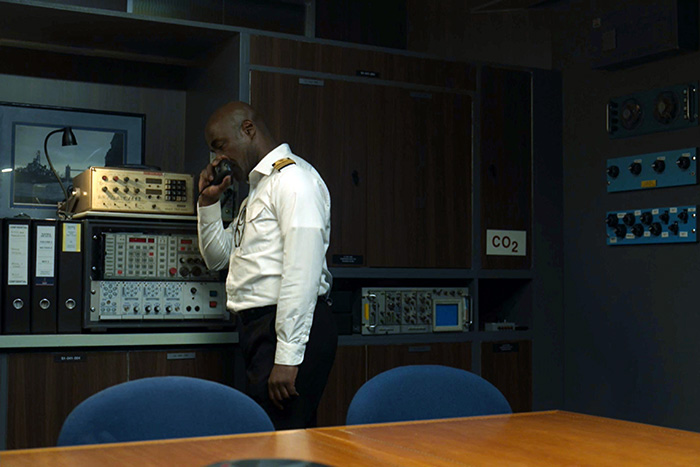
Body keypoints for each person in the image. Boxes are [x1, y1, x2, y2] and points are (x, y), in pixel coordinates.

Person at [197, 101, 337, 430]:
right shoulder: (258, 191)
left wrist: (287, 358)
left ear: (248, 130)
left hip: (287, 329)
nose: (217, 159)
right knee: (276, 437)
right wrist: (208, 202)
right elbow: (218, 257)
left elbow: (302, 271)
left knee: (281, 437)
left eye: (220, 146)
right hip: (259, 330)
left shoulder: (293, 180)